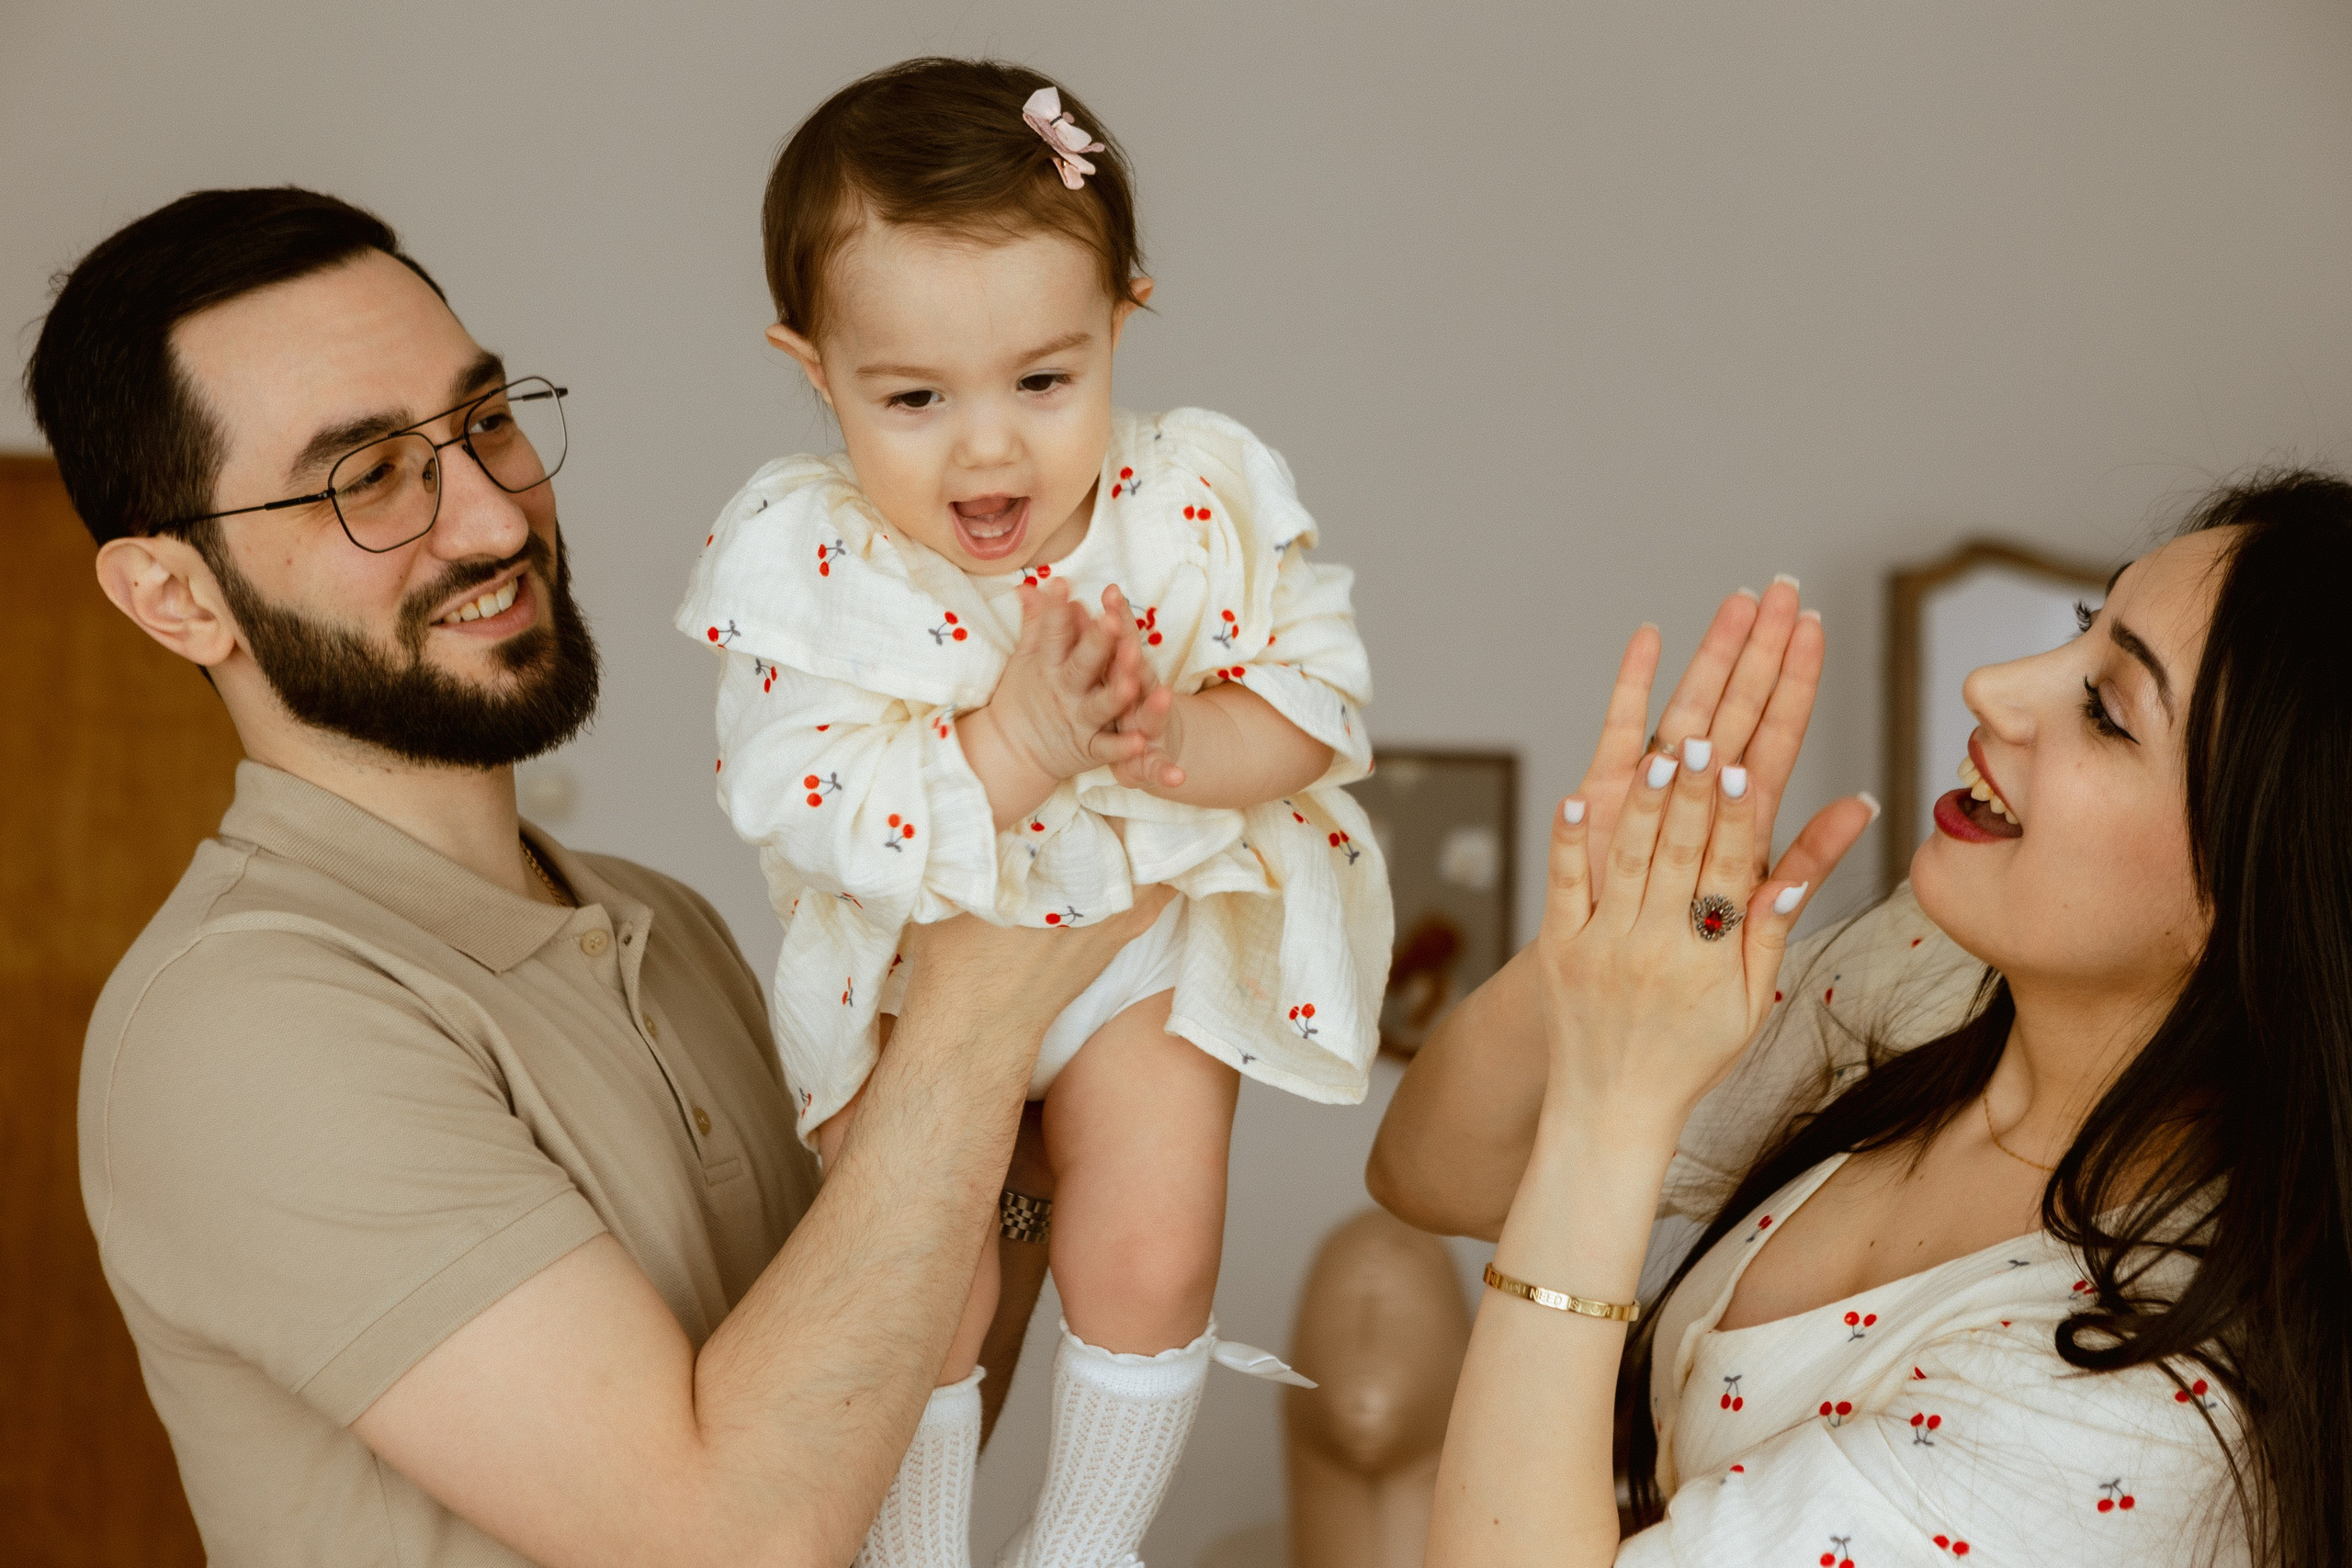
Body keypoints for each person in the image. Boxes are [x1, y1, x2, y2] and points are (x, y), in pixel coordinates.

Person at [28, 185, 1169, 1568]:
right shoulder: (240, 1024)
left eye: (487, 421)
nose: (494, 521)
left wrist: (1031, 1158)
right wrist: (978, 1016)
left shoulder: (660, 922)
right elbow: (729, 1536)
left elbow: (845, 1444)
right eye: (369, 475)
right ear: (175, 596)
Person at [676, 58, 1388, 1568]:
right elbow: (808, 804)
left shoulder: (1195, 500)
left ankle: (1082, 1546)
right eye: (915, 397)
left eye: (1043, 381)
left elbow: (1320, 706)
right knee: (924, 1286)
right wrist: (1012, 739)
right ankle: (913, 1551)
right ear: (813, 370)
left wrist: (1176, 735)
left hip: (1135, 944)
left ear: (1124, 318)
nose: (989, 448)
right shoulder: (811, 562)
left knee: (1147, 1246)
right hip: (912, 975)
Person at [1372, 475, 2352, 1564]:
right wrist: (1594, 947)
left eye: (2107, 710)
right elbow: (1436, 1172)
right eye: (2085, 628)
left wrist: (1617, 1102)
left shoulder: (2134, 1405)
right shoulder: (1927, 980)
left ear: (2269, 892)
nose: (1994, 686)